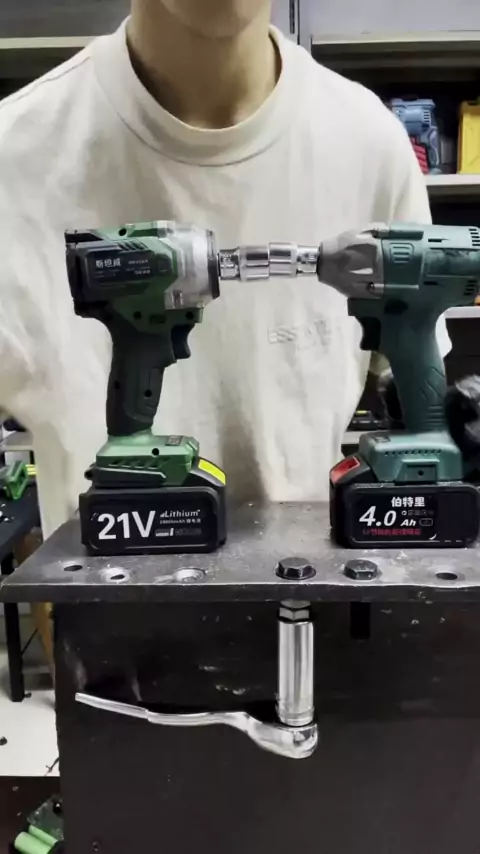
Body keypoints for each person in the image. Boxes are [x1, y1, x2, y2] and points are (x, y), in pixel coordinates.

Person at [0, 0, 450, 538]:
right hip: (107, 584)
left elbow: (418, 392)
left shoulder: (372, 141)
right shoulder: (12, 159)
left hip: (319, 582)